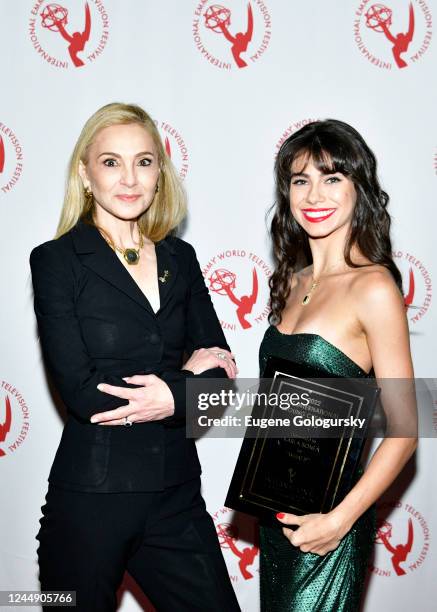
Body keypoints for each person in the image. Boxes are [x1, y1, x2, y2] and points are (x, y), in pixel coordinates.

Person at [30, 102, 241, 612]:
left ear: (159, 173)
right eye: (111, 162)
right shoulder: (56, 261)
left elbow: (222, 374)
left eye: (144, 162)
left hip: (176, 496)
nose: (129, 178)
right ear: (85, 174)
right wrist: (179, 384)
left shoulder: (180, 258)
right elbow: (83, 394)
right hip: (91, 502)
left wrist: (180, 390)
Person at [259, 119, 417, 611]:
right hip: (276, 517)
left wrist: (340, 520)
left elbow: (406, 429)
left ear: (358, 189)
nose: (313, 194)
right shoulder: (290, 281)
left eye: (332, 178)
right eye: (300, 179)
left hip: (332, 523)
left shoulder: (374, 288)